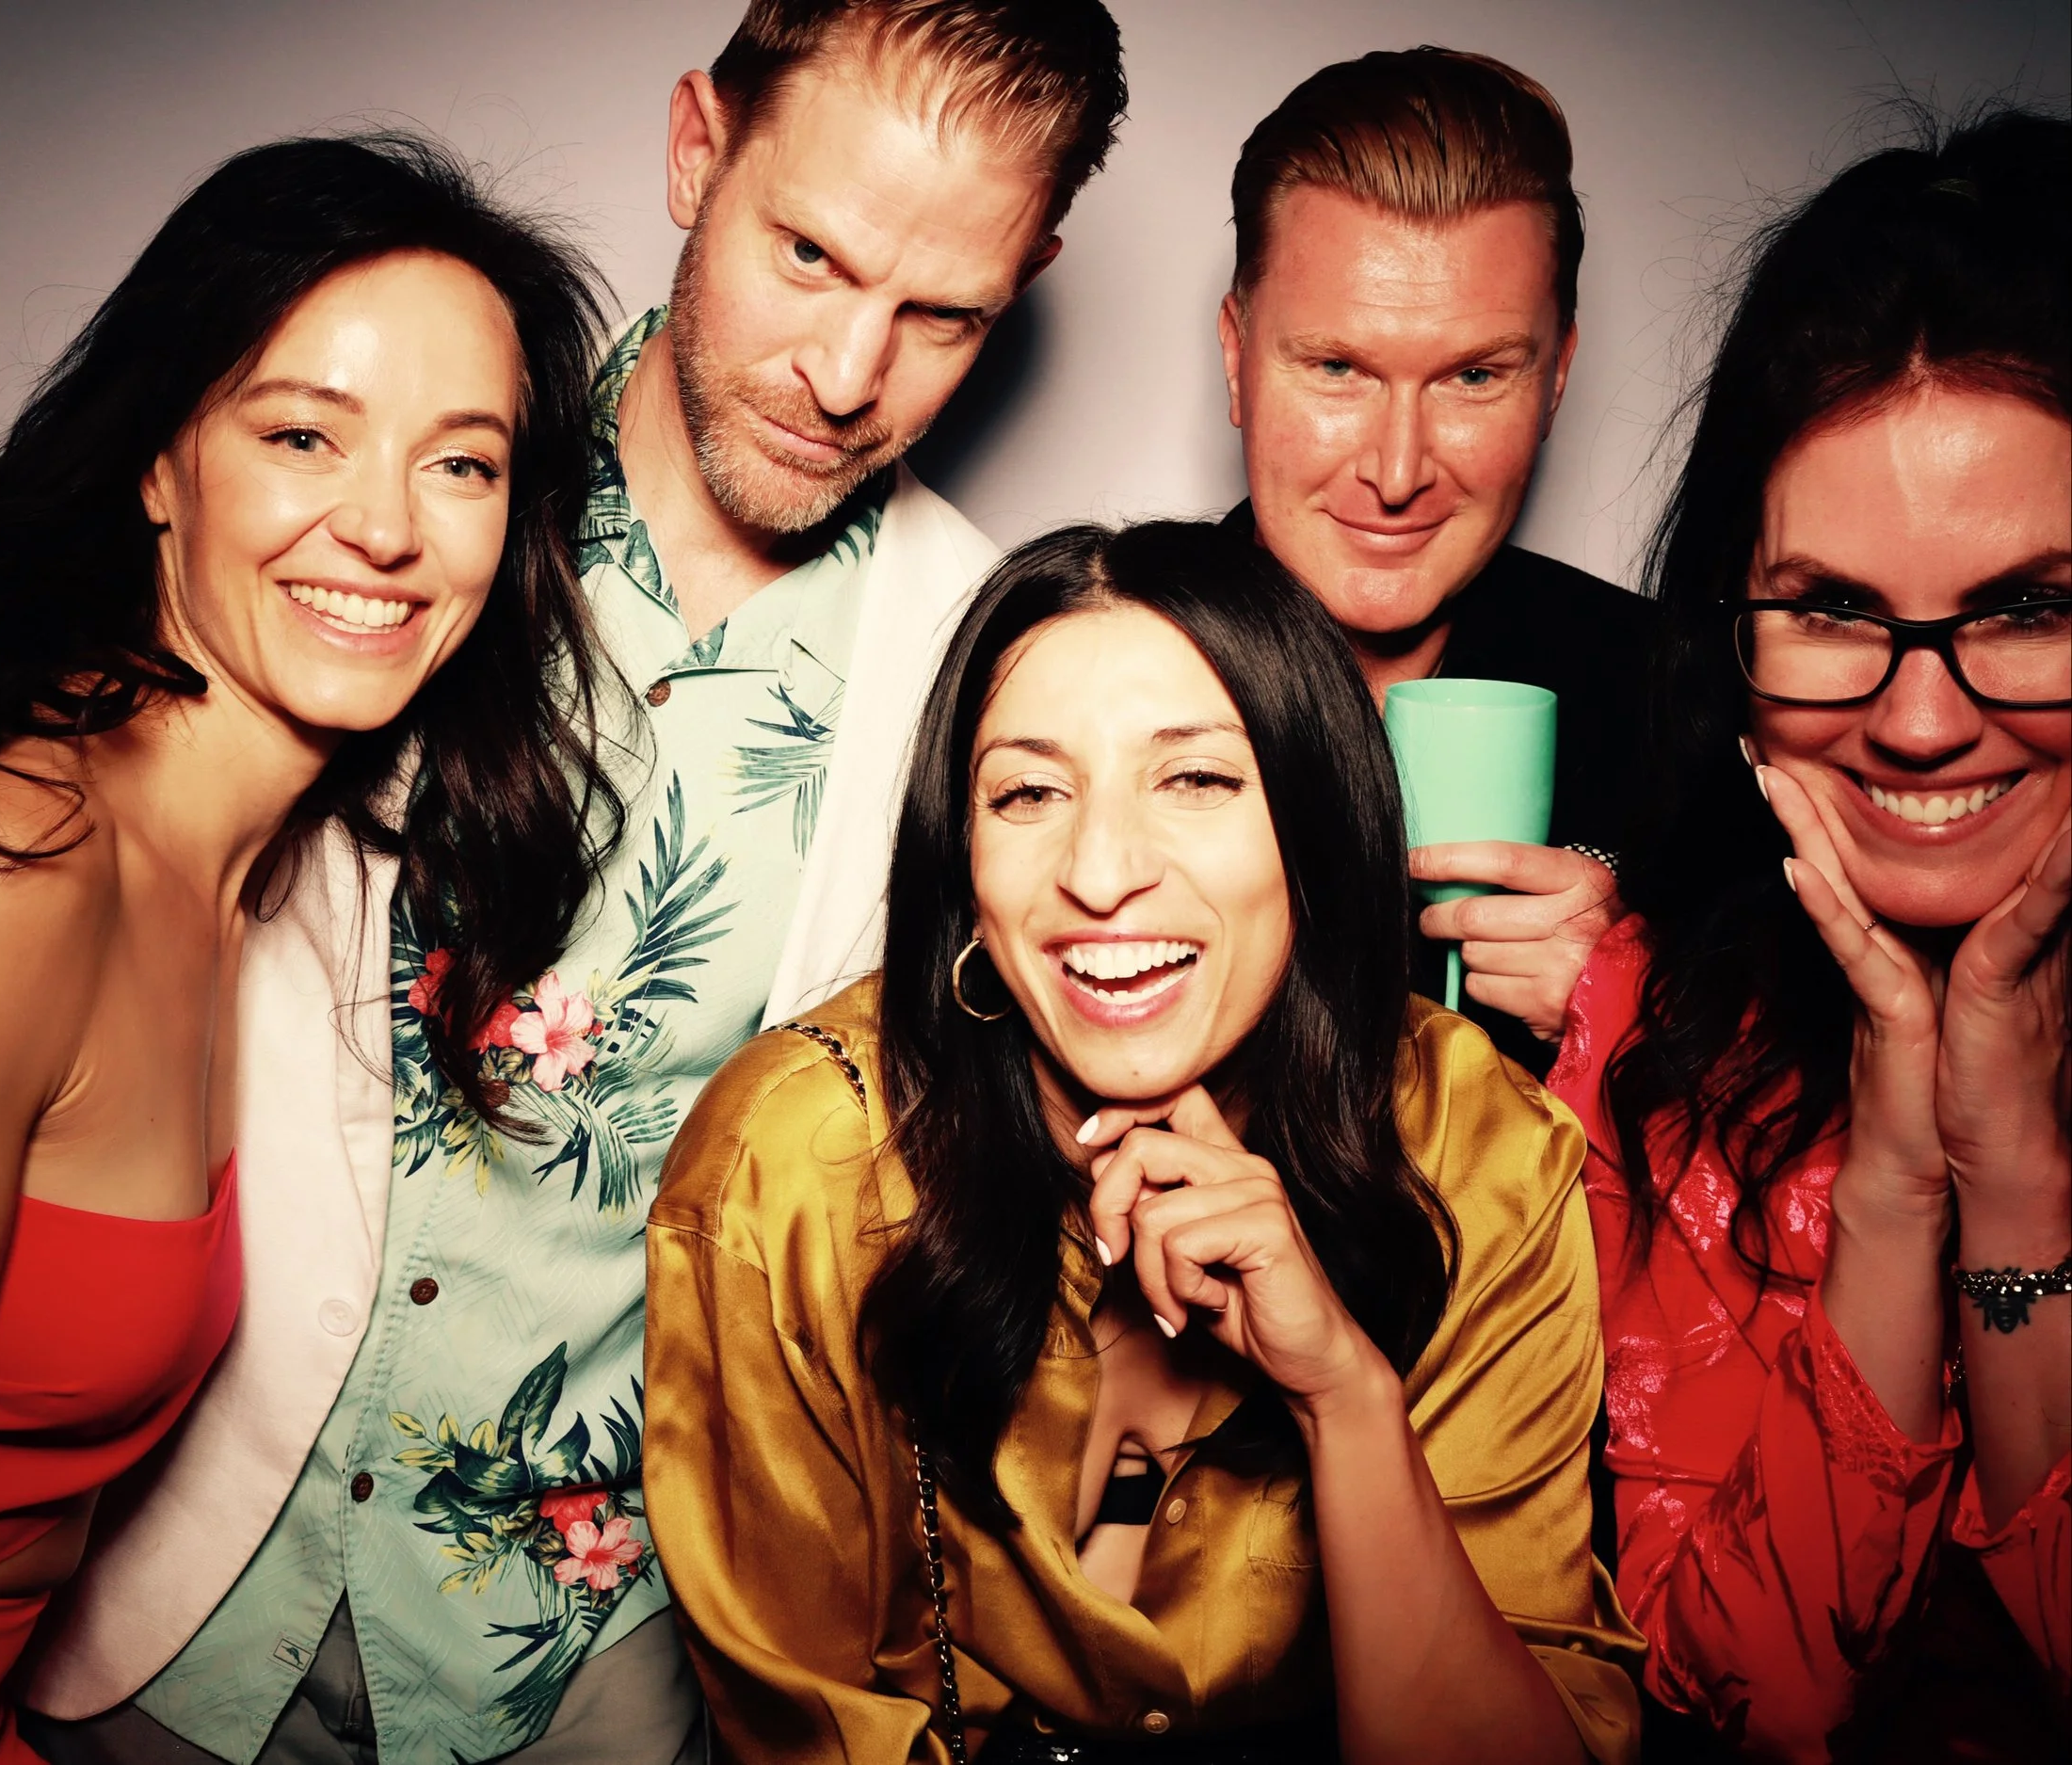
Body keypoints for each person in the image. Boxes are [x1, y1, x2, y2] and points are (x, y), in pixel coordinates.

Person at [22, 6, 1130, 1762]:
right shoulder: (402, 492)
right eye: (808, 256)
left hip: (589, 1671)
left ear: (1031, 274)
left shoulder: (989, 666)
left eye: (944, 316)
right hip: (174, 1585)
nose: (849, 370)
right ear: (696, 146)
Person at [0, 134, 617, 1765]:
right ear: (159, 462)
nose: (386, 530)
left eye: (462, 464)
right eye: (301, 435)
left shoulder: (254, 883)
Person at [645, 520, 1642, 1762]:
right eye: (1027, 792)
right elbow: (800, 1722)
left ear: (1314, 823)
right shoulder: (789, 1163)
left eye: (1197, 779)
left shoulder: (1479, 1147)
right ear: (964, 861)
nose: (1102, 870)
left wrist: (1343, 1394)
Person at [1549, 109, 2070, 1759]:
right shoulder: (1642, 1017)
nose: (1924, 719)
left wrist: (2017, 1164)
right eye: (1837, 610)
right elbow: (1741, 1704)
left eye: (2030, 608)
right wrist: (1902, 1185)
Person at [1216, 47, 1651, 1075]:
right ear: (1236, 359)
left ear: (1556, 379)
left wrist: (1634, 1007)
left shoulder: (1688, 698)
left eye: (1471, 375)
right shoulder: (1085, 674)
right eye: (1336, 368)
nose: (1398, 470)